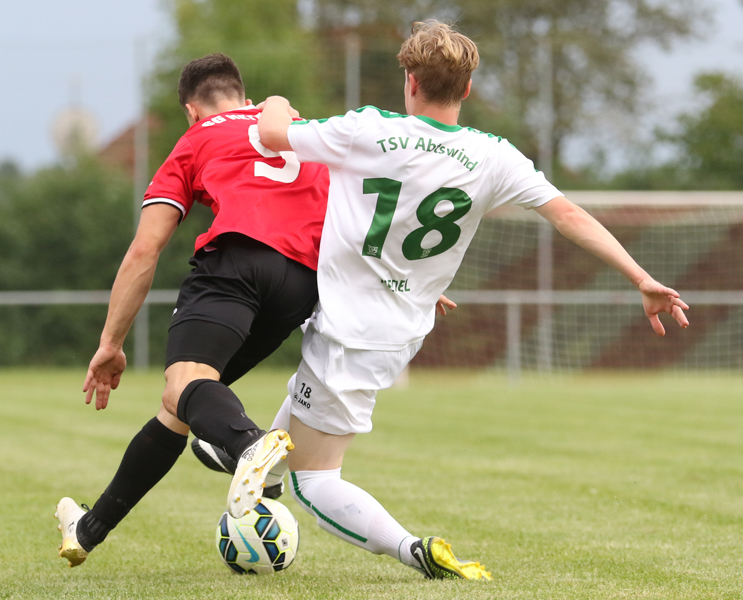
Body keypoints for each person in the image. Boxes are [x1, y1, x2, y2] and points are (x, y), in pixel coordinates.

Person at [253, 20, 690, 580]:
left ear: (411, 81)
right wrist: (640, 277)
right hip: (402, 330)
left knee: (315, 481)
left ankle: (412, 548)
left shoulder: (366, 129)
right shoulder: (492, 155)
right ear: (467, 89)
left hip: (350, 334)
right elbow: (568, 215)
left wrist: (275, 101)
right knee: (301, 404)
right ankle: (253, 472)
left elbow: (271, 134)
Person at [54, 53, 329, 567]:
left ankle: (249, 444)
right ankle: (88, 531)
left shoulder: (197, 138)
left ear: (191, 110)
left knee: (185, 386)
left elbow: (145, 249)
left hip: (238, 263)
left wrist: (110, 344)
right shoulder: (301, 130)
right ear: (244, 98)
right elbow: (358, 211)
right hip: (302, 284)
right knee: (183, 401)